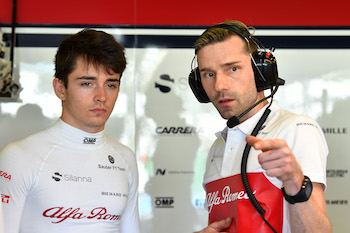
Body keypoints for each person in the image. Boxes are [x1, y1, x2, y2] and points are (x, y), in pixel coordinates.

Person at [188, 20, 331, 233]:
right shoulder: (217, 147)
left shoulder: (296, 129)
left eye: (232, 69)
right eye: (209, 74)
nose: (219, 85)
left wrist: (294, 180)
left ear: (260, 72)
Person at [0, 29, 141, 233]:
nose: (101, 95)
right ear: (60, 88)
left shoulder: (124, 158)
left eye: (110, 84)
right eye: (87, 83)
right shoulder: (18, 157)